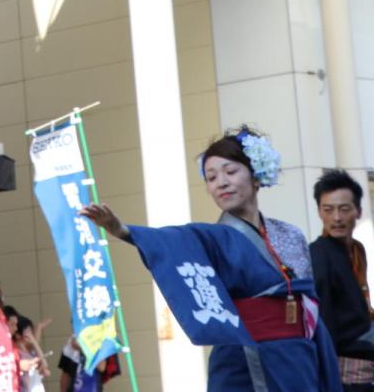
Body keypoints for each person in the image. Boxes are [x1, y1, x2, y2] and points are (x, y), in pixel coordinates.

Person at [81, 126, 341, 391]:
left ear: (255, 175)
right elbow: (174, 240)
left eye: (230, 171)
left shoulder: (290, 234)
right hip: (245, 358)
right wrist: (123, 230)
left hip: (300, 355)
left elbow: (308, 299)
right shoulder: (211, 237)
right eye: (211, 177)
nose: (221, 183)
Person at [311, 169, 374, 391]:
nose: (336, 218)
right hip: (344, 375)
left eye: (344, 209)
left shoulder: (357, 249)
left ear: (358, 211)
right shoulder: (318, 254)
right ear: (319, 212)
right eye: (328, 210)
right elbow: (323, 319)